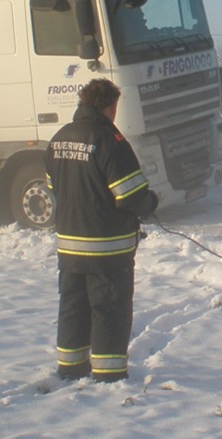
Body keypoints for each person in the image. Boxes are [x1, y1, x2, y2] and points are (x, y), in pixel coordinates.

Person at [45, 78, 158, 382]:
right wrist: (150, 203)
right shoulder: (109, 140)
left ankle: (70, 367)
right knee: (108, 309)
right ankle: (109, 376)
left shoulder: (59, 138)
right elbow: (130, 195)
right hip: (107, 249)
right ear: (110, 106)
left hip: (69, 247)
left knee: (72, 307)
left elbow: (54, 187)